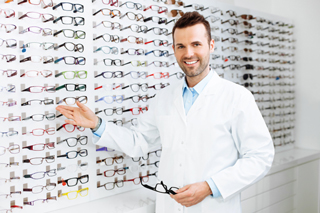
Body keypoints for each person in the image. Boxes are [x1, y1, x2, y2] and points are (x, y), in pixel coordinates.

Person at [56, 11, 274, 213]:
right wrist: (97, 124)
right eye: (181, 46)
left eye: (196, 44)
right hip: (170, 207)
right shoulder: (164, 98)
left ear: (211, 45)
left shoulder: (236, 97)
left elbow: (260, 157)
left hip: (213, 206)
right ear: (173, 49)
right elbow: (139, 141)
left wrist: (210, 187)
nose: (188, 53)